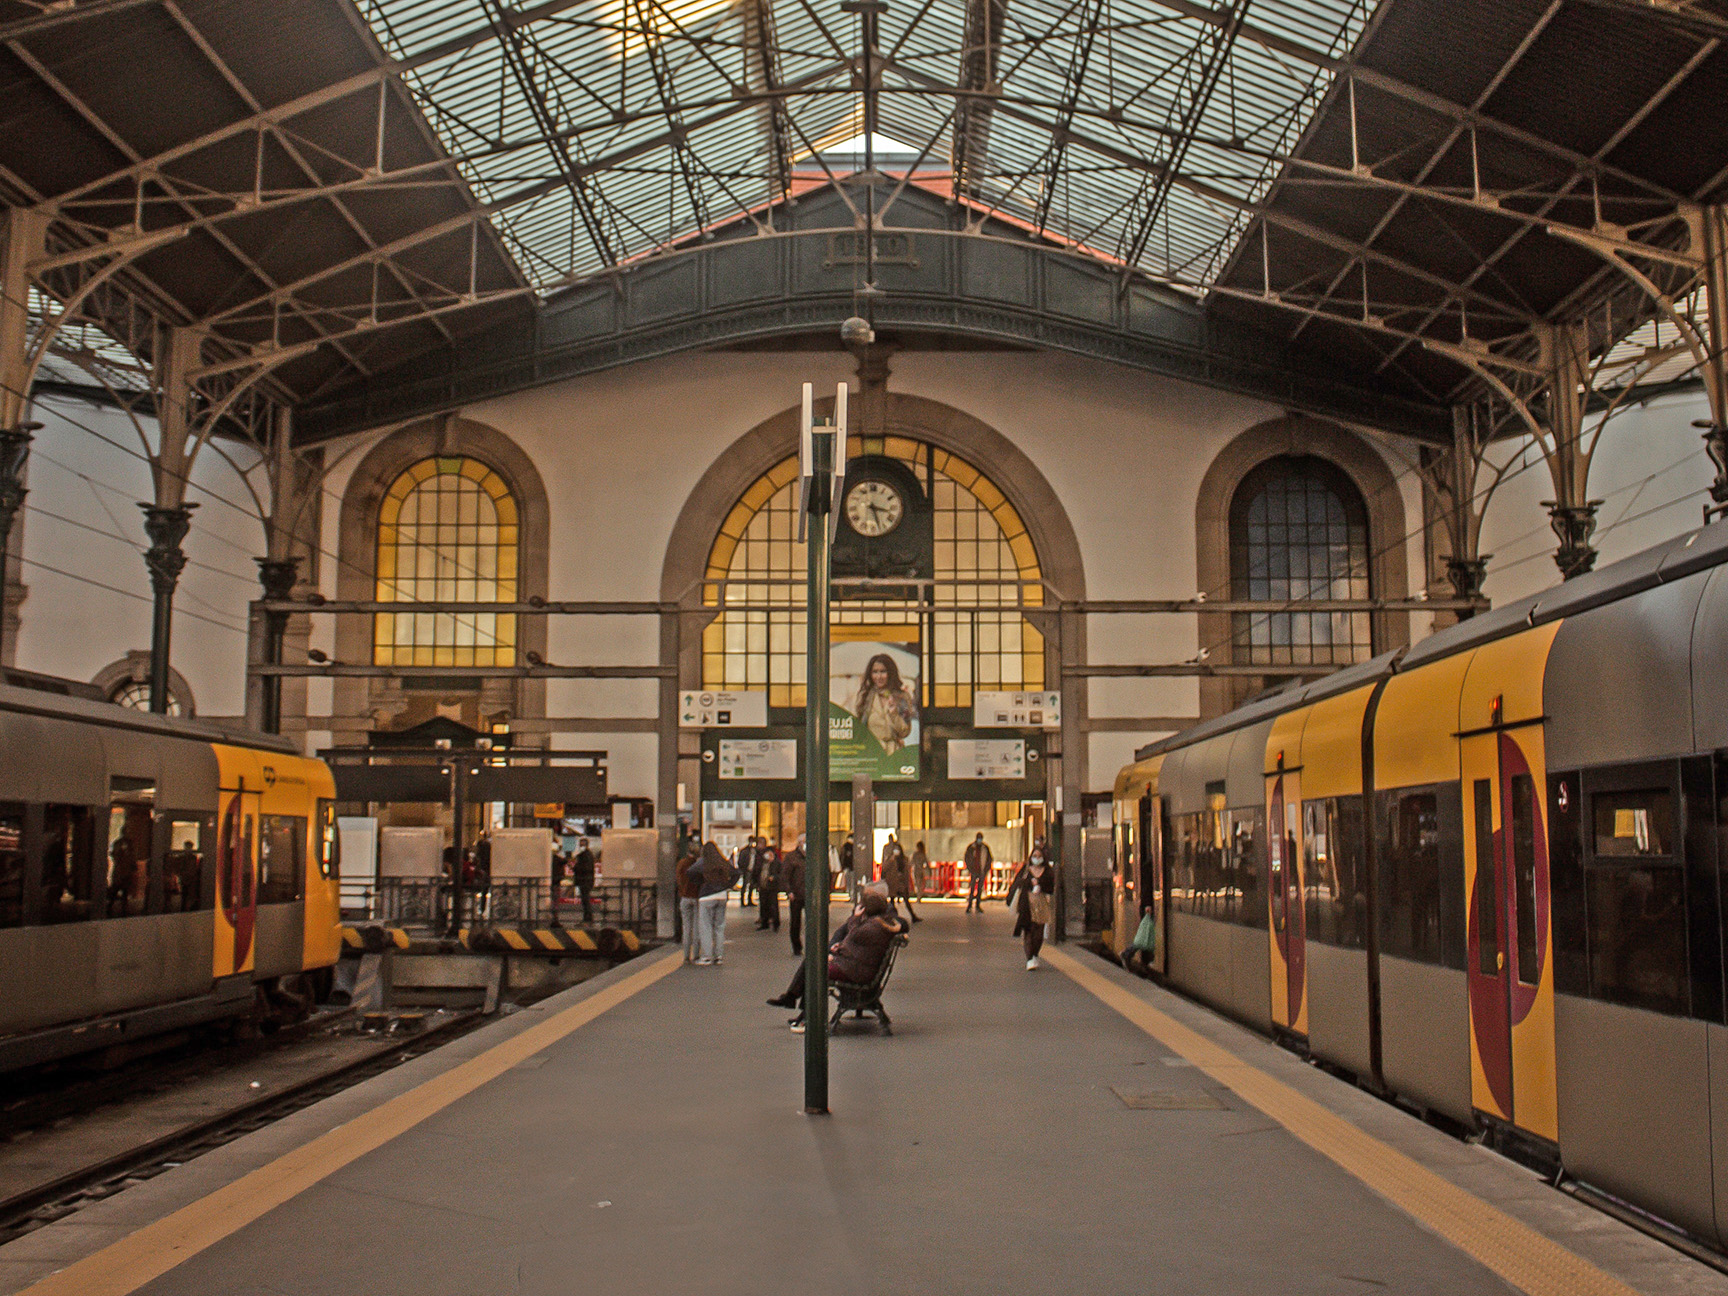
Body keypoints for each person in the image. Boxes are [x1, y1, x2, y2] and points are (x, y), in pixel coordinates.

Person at [766, 892, 906, 1032]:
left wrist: (855, 918)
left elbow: (854, 935)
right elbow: (859, 948)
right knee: (812, 961)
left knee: (815, 967)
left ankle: (805, 1015)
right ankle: (798, 1005)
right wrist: (838, 950)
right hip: (856, 967)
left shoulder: (871, 927)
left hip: (854, 971)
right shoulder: (879, 924)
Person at [852, 653, 917, 754]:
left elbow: (905, 732)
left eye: (883, 671)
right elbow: (858, 728)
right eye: (875, 672)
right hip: (871, 753)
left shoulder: (902, 697)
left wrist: (894, 714)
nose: (879, 676)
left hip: (894, 754)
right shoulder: (864, 696)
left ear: (890, 673)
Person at [1006, 846, 1057, 969]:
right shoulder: (1026, 870)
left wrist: (1040, 885)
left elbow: (1051, 887)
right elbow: (1018, 883)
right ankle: (1029, 958)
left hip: (1041, 904)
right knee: (1028, 930)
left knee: (1038, 933)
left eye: (1039, 856)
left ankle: (1035, 954)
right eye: (1035, 856)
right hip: (1026, 903)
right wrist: (1030, 884)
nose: (1037, 859)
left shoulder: (1048, 872)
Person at [686, 841, 737, 965]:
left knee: (706, 927)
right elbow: (736, 873)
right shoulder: (722, 861)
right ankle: (719, 956)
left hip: (707, 896)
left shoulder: (704, 862)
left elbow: (690, 872)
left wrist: (700, 882)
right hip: (722, 896)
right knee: (719, 927)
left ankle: (707, 957)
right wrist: (727, 885)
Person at [675, 841, 702, 962]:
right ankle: (696, 954)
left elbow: (678, 879)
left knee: (686, 928)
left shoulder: (681, 863)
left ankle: (686, 955)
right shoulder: (698, 865)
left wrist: (682, 891)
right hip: (696, 897)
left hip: (685, 897)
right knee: (696, 927)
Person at [881, 835, 919, 923]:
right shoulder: (890, 859)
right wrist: (890, 860)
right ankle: (893, 917)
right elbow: (884, 868)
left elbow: (906, 872)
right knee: (892, 901)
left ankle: (912, 916)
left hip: (901, 883)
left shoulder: (904, 860)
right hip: (892, 883)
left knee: (906, 900)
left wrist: (906, 884)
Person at [783, 834, 807, 956]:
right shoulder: (791, 857)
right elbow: (785, 875)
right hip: (796, 894)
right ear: (799, 843)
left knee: (812, 922)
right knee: (795, 922)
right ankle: (796, 946)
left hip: (810, 894)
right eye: (804, 841)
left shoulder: (815, 856)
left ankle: (812, 945)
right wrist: (789, 891)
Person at [755, 840, 782, 932]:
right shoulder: (763, 862)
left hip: (772, 887)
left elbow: (781, 874)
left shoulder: (777, 863)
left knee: (773, 905)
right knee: (763, 905)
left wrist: (774, 877)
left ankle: (776, 923)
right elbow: (757, 873)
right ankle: (764, 922)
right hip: (763, 886)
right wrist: (757, 884)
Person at [570, 837, 596, 925]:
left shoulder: (585, 855)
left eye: (582, 845)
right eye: (580, 845)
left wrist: (575, 868)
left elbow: (585, 868)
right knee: (585, 900)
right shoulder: (587, 854)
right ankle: (587, 919)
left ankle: (588, 919)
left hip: (584, 880)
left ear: (586, 845)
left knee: (585, 901)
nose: (581, 846)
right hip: (586, 880)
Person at [963, 832, 992, 912]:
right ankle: (970, 905)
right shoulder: (972, 848)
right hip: (974, 871)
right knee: (972, 888)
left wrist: (986, 869)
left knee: (980, 889)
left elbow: (989, 859)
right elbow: (967, 858)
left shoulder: (985, 848)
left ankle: (977, 905)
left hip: (982, 871)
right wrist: (970, 868)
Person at [737, 836, 760, 908]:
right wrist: (743, 869)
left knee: (752, 886)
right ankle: (742, 901)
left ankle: (750, 900)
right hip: (747, 870)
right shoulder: (745, 851)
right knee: (745, 885)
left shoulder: (756, 851)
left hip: (753, 871)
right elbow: (740, 861)